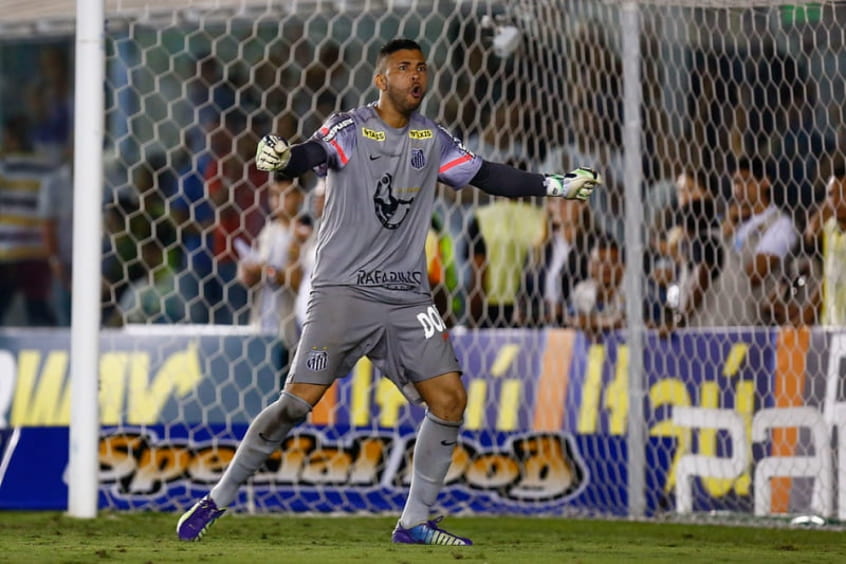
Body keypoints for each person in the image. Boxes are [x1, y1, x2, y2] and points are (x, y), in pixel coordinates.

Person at [176, 38, 601, 546]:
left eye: (421, 68)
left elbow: (487, 175)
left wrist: (555, 185)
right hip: (343, 294)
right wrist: (284, 158)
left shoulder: (433, 139)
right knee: (294, 405)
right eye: (403, 69)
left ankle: (415, 522)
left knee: (449, 399)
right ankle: (216, 499)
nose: (415, 76)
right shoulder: (350, 129)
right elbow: (309, 154)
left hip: (407, 299)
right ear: (381, 80)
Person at [238, 173, 306, 350]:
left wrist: (269, 272)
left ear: (300, 196)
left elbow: (301, 282)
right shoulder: (268, 231)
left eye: (286, 195)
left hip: (291, 327)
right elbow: (257, 277)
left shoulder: (305, 234)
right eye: (274, 195)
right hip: (263, 322)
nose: (279, 201)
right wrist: (249, 273)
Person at [566, 235, 626, 341]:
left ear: (623, 266)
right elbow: (572, 320)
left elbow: (626, 322)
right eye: (600, 261)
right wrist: (606, 322)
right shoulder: (582, 289)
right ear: (590, 266)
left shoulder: (634, 291)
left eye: (612, 261)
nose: (606, 267)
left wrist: (591, 322)